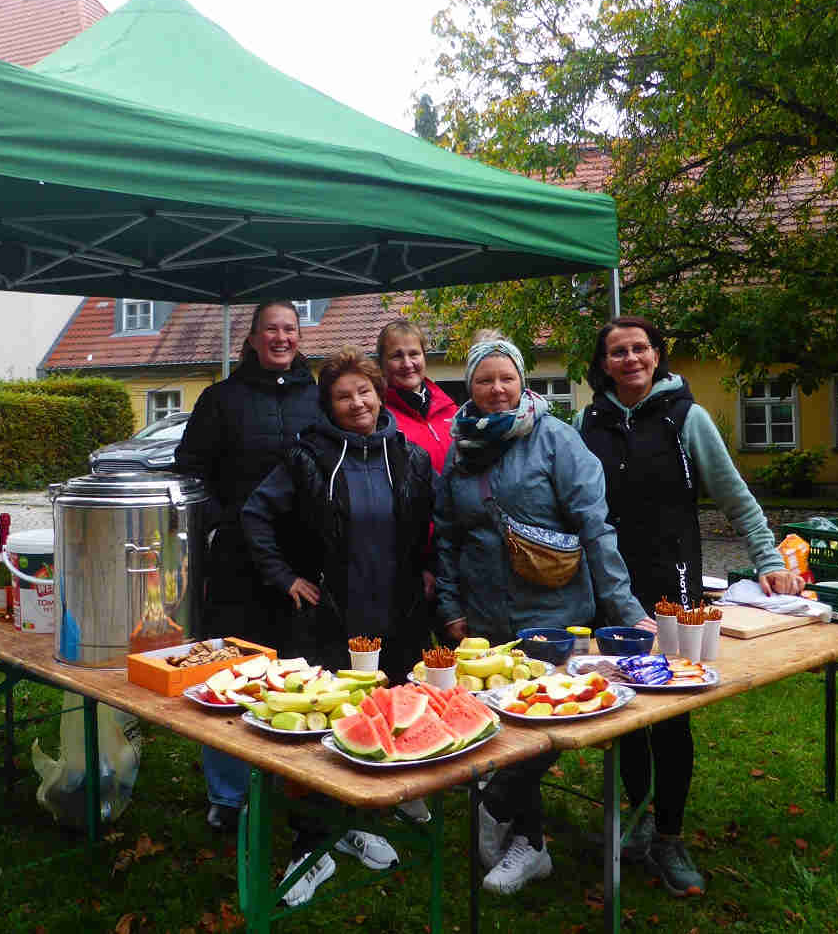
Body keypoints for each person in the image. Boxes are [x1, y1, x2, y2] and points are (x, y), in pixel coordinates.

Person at [577, 315, 804, 898]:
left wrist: (770, 560)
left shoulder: (687, 418)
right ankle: (641, 815)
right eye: (617, 352)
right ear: (603, 364)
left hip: (674, 587)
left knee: (671, 711)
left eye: (640, 349)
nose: (630, 359)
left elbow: (735, 495)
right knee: (624, 708)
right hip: (611, 587)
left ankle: (670, 837)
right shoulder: (587, 422)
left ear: (657, 355)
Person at [434, 332, 653, 895]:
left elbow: (596, 528)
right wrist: (452, 610)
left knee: (548, 721)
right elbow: (449, 539)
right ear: (471, 386)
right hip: (486, 616)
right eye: (485, 380)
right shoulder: (461, 450)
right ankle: (530, 847)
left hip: (555, 614)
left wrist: (627, 611)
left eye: (506, 378)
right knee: (505, 732)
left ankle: (496, 806)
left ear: (523, 382)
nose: (497, 389)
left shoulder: (556, 440)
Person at [242, 345, 436, 904]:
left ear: (380, 394)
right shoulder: (308, 457)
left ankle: (359, 824)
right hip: (331, 617)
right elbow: (256, 514)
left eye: (365, 391)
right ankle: (311, 845)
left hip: (395, 617)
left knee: (382, 720)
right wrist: (284, 578)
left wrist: (429, 572)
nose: (357, 403)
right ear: (329, 404)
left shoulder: (409, 455)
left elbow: (433, 524)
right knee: (320, 731)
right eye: (344, 395)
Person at [171, 300, 320, 834]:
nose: (281, 338)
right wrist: (221, 523)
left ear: (299, 337)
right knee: (229, 672)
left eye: (290, 329)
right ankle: (227, 793)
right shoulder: (220, 399)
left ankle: (295, 779)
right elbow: (190, 471)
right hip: (236, 561)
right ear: (253, 339)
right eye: (271, 330)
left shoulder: (319, 396)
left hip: (303, 562)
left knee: (298, 670)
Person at [377, 319, 458, 473]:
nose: (407, 364)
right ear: (381, 364)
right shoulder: (380, 420)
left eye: (414, 354)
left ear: (424, 357)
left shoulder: (452, 410)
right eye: (396, 356)